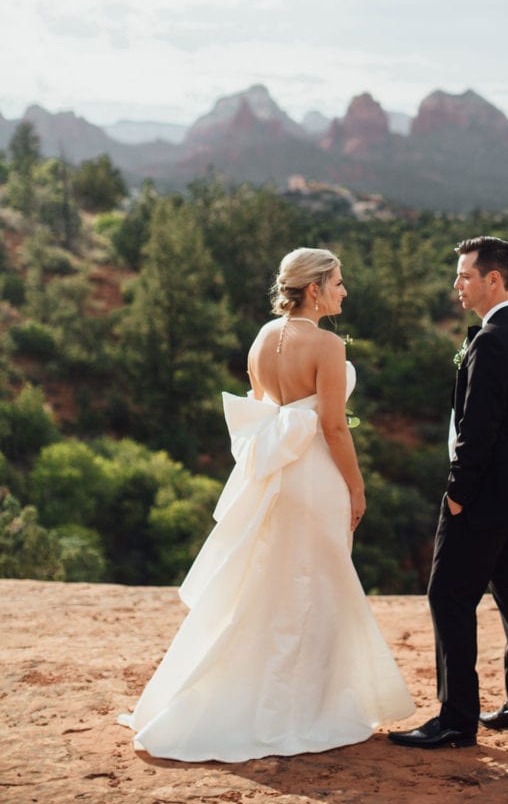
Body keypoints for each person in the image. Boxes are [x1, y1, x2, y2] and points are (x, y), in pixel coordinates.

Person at [119, 247, 415, 761]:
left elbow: (261, 408)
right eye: (340, 283)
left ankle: (245, 698)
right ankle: (302, 711)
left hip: (276, 475)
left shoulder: (262, 337)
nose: (345, 291)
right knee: (317, 585)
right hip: (316, 475)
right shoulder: (326, 344)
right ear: (316, 288)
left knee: (268, 583)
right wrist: (357, 486)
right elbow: (333, 425)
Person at [388, 236, 508, 750]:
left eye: (464, 275)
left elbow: (479, 428)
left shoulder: (491, 340)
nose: (456, 284)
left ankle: (456, 720)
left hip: (480, 496)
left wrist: (457, 492)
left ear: (494, 279)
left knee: (448, 596)